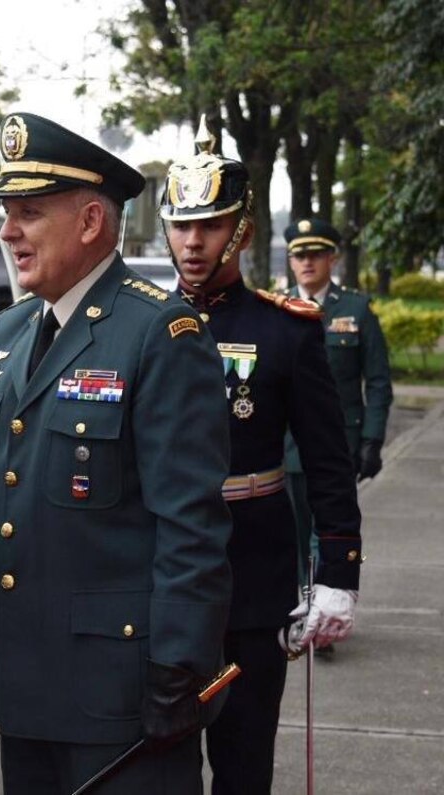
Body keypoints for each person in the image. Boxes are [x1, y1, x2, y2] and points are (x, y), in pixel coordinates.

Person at [0, 112, 234, 794]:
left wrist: (180, 665)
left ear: (90, 221)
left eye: (28, 212)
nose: (7, 231)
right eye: (5, 212)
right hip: (26, 684)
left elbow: (192, 526)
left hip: (124, 694)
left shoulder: (161, 333)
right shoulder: (8, 331)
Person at [160, 119, 363, 794]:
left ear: (242, 229)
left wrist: (338, 571)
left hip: (252, 578)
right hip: (157, 581)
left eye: (211, 225)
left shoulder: (286, 330)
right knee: (161, 765)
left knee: (244, 764)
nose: (193, 242)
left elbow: (329, 462)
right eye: (182, 225)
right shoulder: (139, 325)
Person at [281, 218, 392, 605]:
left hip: (340, 445)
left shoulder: (356, 310)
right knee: (293, 533)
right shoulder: (275, 309)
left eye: (315, 254)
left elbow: (377, 381)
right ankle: (303, 601)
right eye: (299, 255)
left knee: (327, 531)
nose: (307, 262)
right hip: (285, 447)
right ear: (291, 262)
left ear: (333, 259)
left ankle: (319, 606)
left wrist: (373, 440)